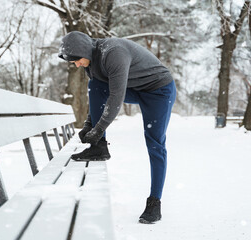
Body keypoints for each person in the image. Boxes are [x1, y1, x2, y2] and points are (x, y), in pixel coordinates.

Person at [58, 31, 177, 224]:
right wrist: (90, 124)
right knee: (95, 85)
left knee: (155, 144)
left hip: (159, 92)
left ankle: (155, 202)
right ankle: (99, 148)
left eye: (77, 60)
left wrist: (97, 129)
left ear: (84, 51)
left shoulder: (114, 53)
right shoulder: (91, 61)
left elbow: (116, 98)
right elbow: (99, 93)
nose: (77, 64)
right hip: (138, 89)